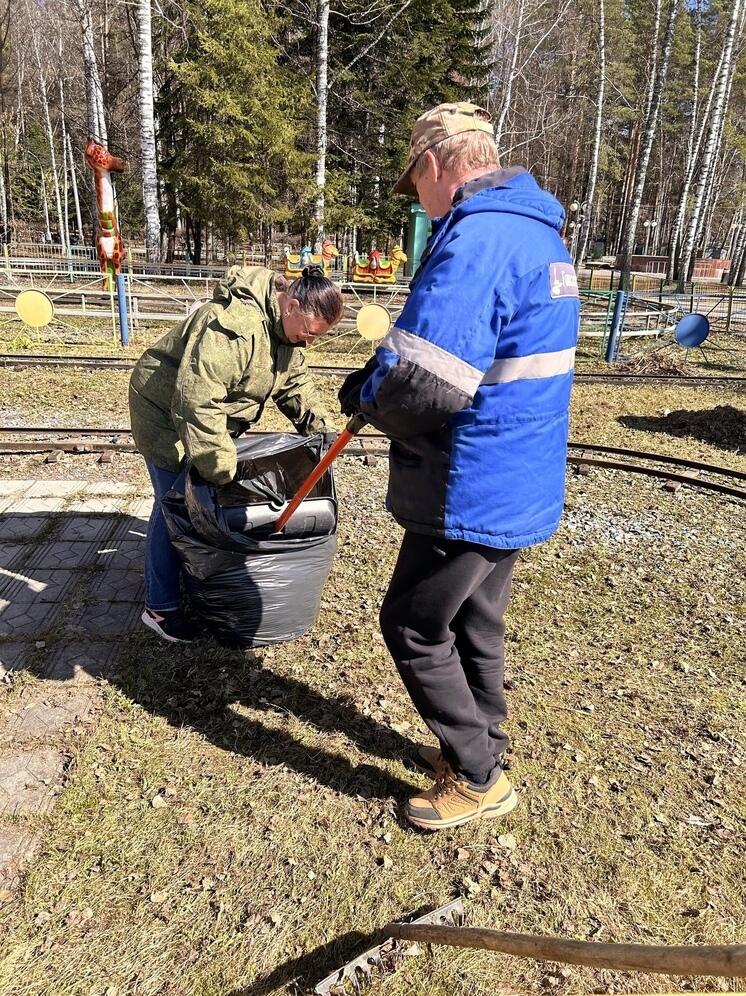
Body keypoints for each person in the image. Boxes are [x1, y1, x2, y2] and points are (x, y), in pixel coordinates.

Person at [339, 102, 580, 831]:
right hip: (518, 476)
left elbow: (424, 383)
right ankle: (485, 749)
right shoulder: (538, 233)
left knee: (411, 622)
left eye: (415, 178)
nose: (418, 195)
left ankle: (477, 776)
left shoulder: (478, 239)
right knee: (476, 618)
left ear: (438, 163)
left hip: (472, 478)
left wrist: (365, 393)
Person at [129, 264, 344, 643]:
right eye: (309, 333)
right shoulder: (235, 327)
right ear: (291, 305)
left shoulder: (285, 335)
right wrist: (217, 463)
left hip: (200, 414)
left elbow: (295, 384)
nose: (309, 342)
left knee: (194, 497)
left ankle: (191, 574)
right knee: (174, 503)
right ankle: (160, 608)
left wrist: (321, 433)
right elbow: (197, 398)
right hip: (165, 411)